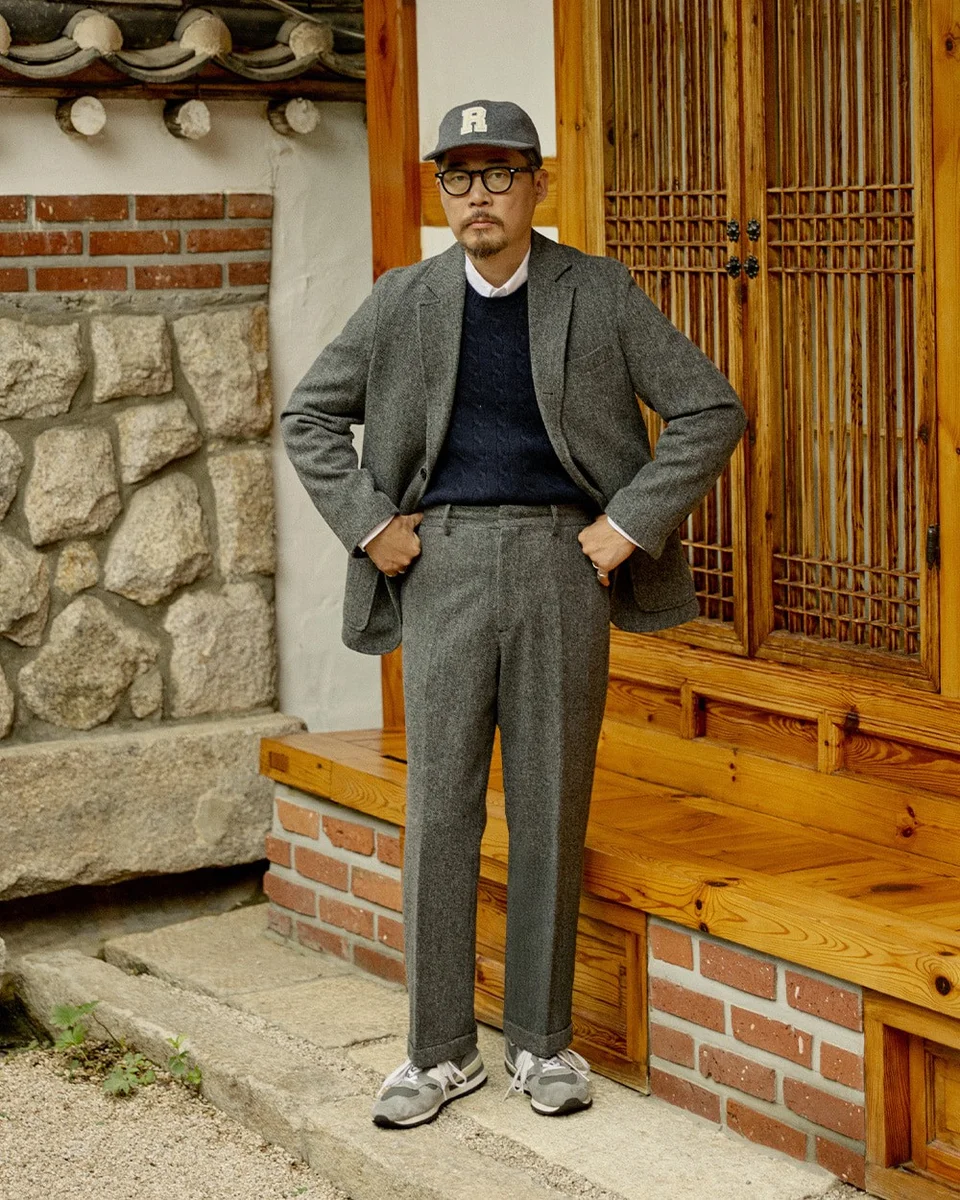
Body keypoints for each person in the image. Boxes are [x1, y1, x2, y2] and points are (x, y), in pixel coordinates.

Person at [280, 99, 747, 1130]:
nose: (478, 196)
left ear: (539, 184)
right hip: (437, 566)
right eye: (459, 178)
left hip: (558, 565)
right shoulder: (404, 299)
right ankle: (437, 1053)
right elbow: (307, 415)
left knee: (546, 804)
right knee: (438, 808)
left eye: (499, 175)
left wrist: (629, 524)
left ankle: (543, 1041)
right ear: (440, 192)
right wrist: (370, 526)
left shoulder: (601, 291)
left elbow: (711, 407)